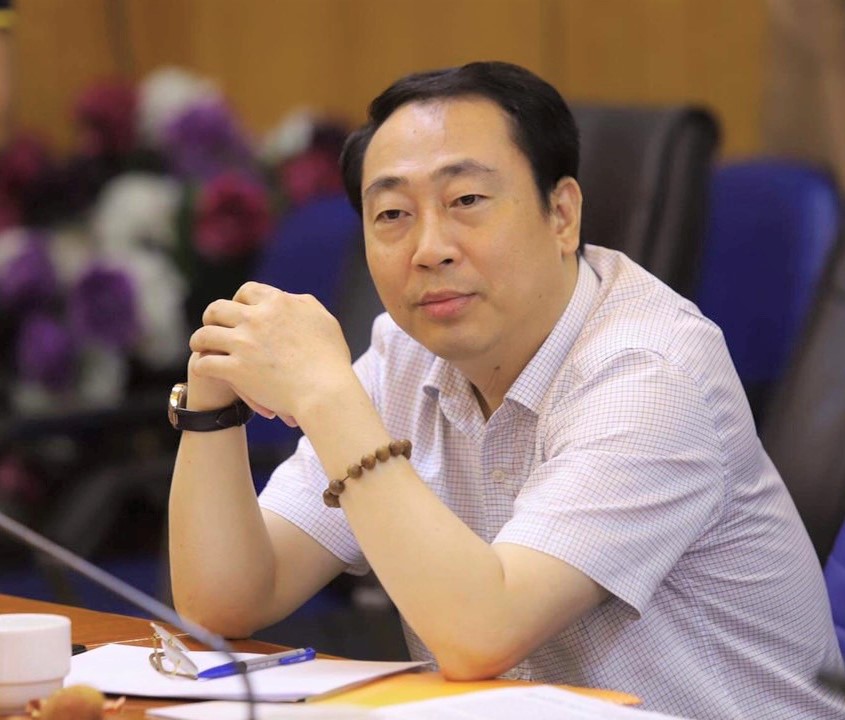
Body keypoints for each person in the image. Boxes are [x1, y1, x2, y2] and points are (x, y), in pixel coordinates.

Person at [168, 61, 844, 718]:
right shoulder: (403, 354)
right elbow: (228, 601)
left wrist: (327, 398)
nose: (429, 248)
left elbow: (480, 633)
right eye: (392, 214)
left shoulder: (650, 372)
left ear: (562, 214)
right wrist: (211, 400)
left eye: (466, 201)